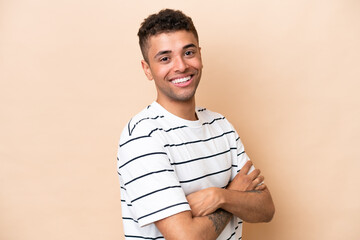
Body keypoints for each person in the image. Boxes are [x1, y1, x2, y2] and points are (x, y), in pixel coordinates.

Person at [117, 9, 275, 240]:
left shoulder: (221, 126)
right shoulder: (143, 137)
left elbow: (266, 208)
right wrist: (234, 194)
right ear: (147, 69)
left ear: (200, 54)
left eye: (188, 52)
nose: (181, 66)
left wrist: (219, 197)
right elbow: (187, 238)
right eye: (165, 58)